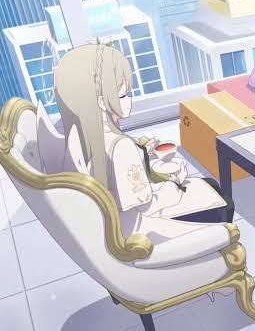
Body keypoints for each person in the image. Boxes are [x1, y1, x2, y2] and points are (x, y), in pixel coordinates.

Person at [54, 44, 234, 244]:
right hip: (141, 232)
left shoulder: (78, 137)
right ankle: (218, 243)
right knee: (221, 199)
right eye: (124, 95)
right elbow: (145, 205)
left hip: (117, 223)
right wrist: (175, 182)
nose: (130, 100)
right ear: (102, 102)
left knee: (209, 185)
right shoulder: (121, 147)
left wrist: (142, 152)